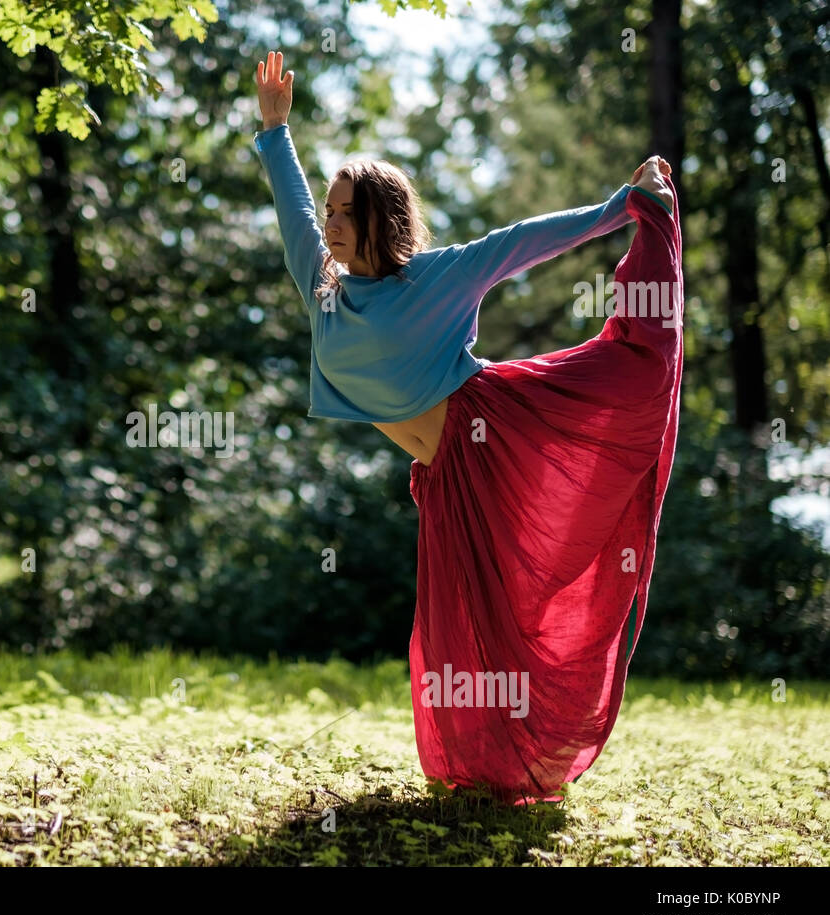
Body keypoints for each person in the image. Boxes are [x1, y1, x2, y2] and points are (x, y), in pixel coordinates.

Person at [254, 50, 684, 804]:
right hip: (447, 476)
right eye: (332, 211)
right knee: (466, 623)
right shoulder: (322, 285)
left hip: (497, 435)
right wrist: (275, 129)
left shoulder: (438, 276)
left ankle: (539, 753)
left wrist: (628, 204)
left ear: (384, 220)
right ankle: (488, 771)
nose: (333, 224)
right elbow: (290, 204)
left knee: (533, 591)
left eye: (349, 212)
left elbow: (524, 240)